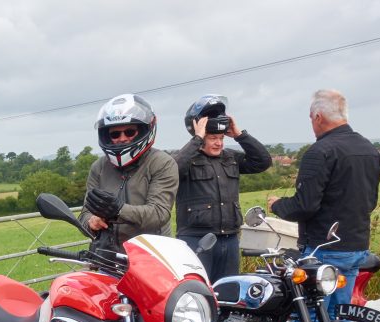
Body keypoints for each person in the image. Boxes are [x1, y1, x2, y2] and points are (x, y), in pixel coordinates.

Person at [268, 89, 380, 322]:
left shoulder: (320, 151)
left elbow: (305, 206)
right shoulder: (369, 149)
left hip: (324, 248)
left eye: (311, 118)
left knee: (310, 318)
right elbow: (370, 201)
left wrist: (277, 205)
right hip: (356, 246)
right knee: (340, 318)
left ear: (318, 117)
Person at [174, 95, 272, 281]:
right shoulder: (187, 160)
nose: (219, 143)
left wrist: (240, 135)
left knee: (229, 289)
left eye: (221, 137)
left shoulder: (230, 158)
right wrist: (197, 139)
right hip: (196, 240)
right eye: (212, 138)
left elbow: (263, 161)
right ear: (200, 136)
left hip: (229, 240)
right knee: (198, 290)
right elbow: (173, 170)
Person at [80, 94, 178, 251]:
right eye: (115, 134)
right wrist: (91, 221)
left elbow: (159, 213)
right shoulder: (99, 167)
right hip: (106, 253)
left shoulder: (161, 163)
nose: (122, 138)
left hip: (151, 252)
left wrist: (119, 210)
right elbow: (85, 212)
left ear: (143, 130)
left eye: (130, 132)